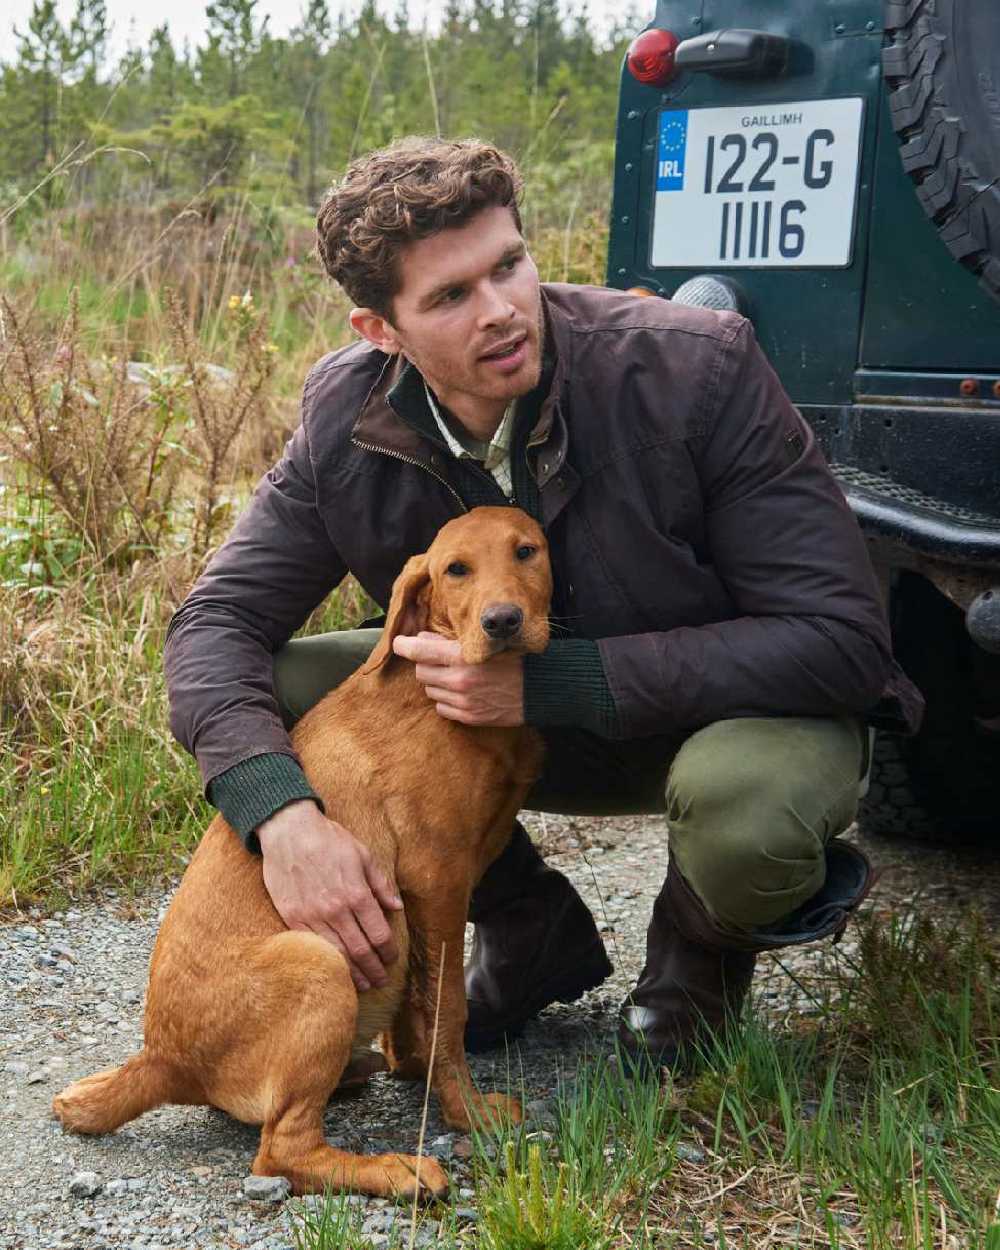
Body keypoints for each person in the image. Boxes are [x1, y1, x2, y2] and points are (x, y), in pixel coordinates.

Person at [164, 136, 922, 1070]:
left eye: (510, 266)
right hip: (508, 730)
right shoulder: (347, 419)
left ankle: (697, 958)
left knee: (745, 814)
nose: (501, 311)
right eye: (449, 297)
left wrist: (556, 684)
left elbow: (845, 643)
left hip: (728, 718)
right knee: (290, 684)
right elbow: (215, 624)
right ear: (381, 332)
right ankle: (528, 926)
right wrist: (279, 815)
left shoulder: (695, 368)